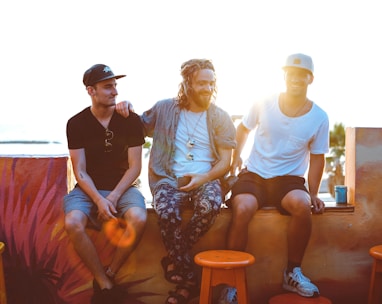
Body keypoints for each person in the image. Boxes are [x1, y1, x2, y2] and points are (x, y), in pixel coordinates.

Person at [116, 58, 236, 304]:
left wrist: (203, 177)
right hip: (168, 178)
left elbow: (225, 162)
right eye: (202, 83)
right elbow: (136, 126)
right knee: (168, 213)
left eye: (211, 83)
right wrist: (125, 107)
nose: (207, 88)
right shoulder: (164, 109)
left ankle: (176, 263)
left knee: (210, 205)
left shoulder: (221, 117)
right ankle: (189, 277)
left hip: (207, 177)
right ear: (188, 83)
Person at [227, 53, 328, 298]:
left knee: (302, 206)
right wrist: (234, 160)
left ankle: (292, 273)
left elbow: (317, 158)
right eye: (291, 74)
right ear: (284, 76)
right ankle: (229, 282)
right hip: (255, 174)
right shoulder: (264, 102)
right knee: (243, 208)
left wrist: (313, 193)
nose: (295, 79)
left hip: (289, 179)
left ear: (310, 79)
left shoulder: (319, 117)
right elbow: (243, 129)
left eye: (301, 75)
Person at [63, 64, 147, 304]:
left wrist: (112, 196)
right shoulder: (76, 123)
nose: (115, 92)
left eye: (115, 86)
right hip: (88, 188)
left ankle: (110, 273)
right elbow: (79, 170)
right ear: (91, 90)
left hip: (123, 186)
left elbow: (135, 167)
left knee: (139, 219)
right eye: (107, 87)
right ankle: (104, 282)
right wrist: (99, 199)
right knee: (73, 223)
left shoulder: (130, 120)